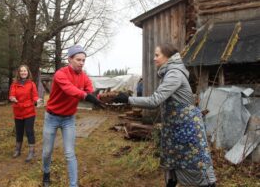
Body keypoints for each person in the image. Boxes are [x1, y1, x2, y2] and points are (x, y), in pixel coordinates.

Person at [112, 43, 216, 187]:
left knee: (194, 166)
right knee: (173, 166)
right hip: (176, 128)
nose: (154, 59)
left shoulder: (174, 74)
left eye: (157, 55)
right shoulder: (169, 72)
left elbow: (155, 100)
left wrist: (128, 99)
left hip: (187, 129)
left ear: (169, 57)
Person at [42, 45, 104, 187]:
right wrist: (86, 96)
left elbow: (91, 91)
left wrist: (103, 97)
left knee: (70, 153)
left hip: (69, 119)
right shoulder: (60, 74)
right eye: (78, 60)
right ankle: (46, 172)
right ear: (70, 59)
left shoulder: (84, 77)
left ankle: (73, 185)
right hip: (52, 117)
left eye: (83, 60)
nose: (81, 63)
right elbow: (69, 89)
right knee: (47, 151)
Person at [9, 65, 40, 162]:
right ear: (19, 73)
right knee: (19, 131)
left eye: (25, 71)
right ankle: (18, 150)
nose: (23, 72)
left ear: (28, 72)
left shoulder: (31, 84)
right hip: (18, 111)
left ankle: (31, 151)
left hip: (29, 111)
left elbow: (35, 96)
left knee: (29, 131)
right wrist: (12, 98)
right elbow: (11, 95)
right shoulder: (14, 84)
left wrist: (38, 100)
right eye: (21, 71)